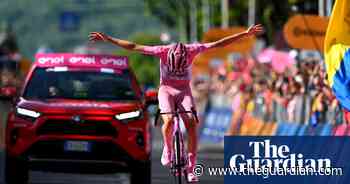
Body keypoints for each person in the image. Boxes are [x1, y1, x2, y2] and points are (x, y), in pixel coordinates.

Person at [89, 24, 263, 182]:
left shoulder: (193, 49)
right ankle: (168, 148)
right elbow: (134, 46)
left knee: (192, 124)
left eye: (181, 68)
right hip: (166, 90)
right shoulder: (161, 50)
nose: (177, 70)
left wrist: (244, 34)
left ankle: (191, 168)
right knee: (169, 120)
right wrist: (108, 39)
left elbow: (219, 44)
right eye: (174, 68)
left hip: (184, 90)